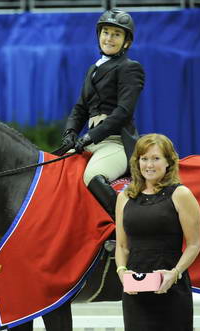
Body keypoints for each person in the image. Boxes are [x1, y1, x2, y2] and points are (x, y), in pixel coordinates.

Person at [54, 8, 145, 219]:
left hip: (116, 142)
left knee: (93, 176)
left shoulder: (130, 68)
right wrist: (70, 133)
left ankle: (127, 228)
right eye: (106, 32)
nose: (109, 38)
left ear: (126, 42)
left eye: (116, 34)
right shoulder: (92, 69)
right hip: (92, 142)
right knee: (57, 171)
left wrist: (89, 136)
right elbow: (80, 108)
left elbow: (123, 112)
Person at [115, 133, 200, 331]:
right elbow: (121, 246)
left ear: (169, 162)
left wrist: (175, 273)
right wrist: (121, 272)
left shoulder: (181, 194)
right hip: (135, 293)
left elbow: (194, 245)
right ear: (136, 162)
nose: (149, 165)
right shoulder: (125, 197)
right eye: (144, 159)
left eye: (156, 158)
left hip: (171, 288)